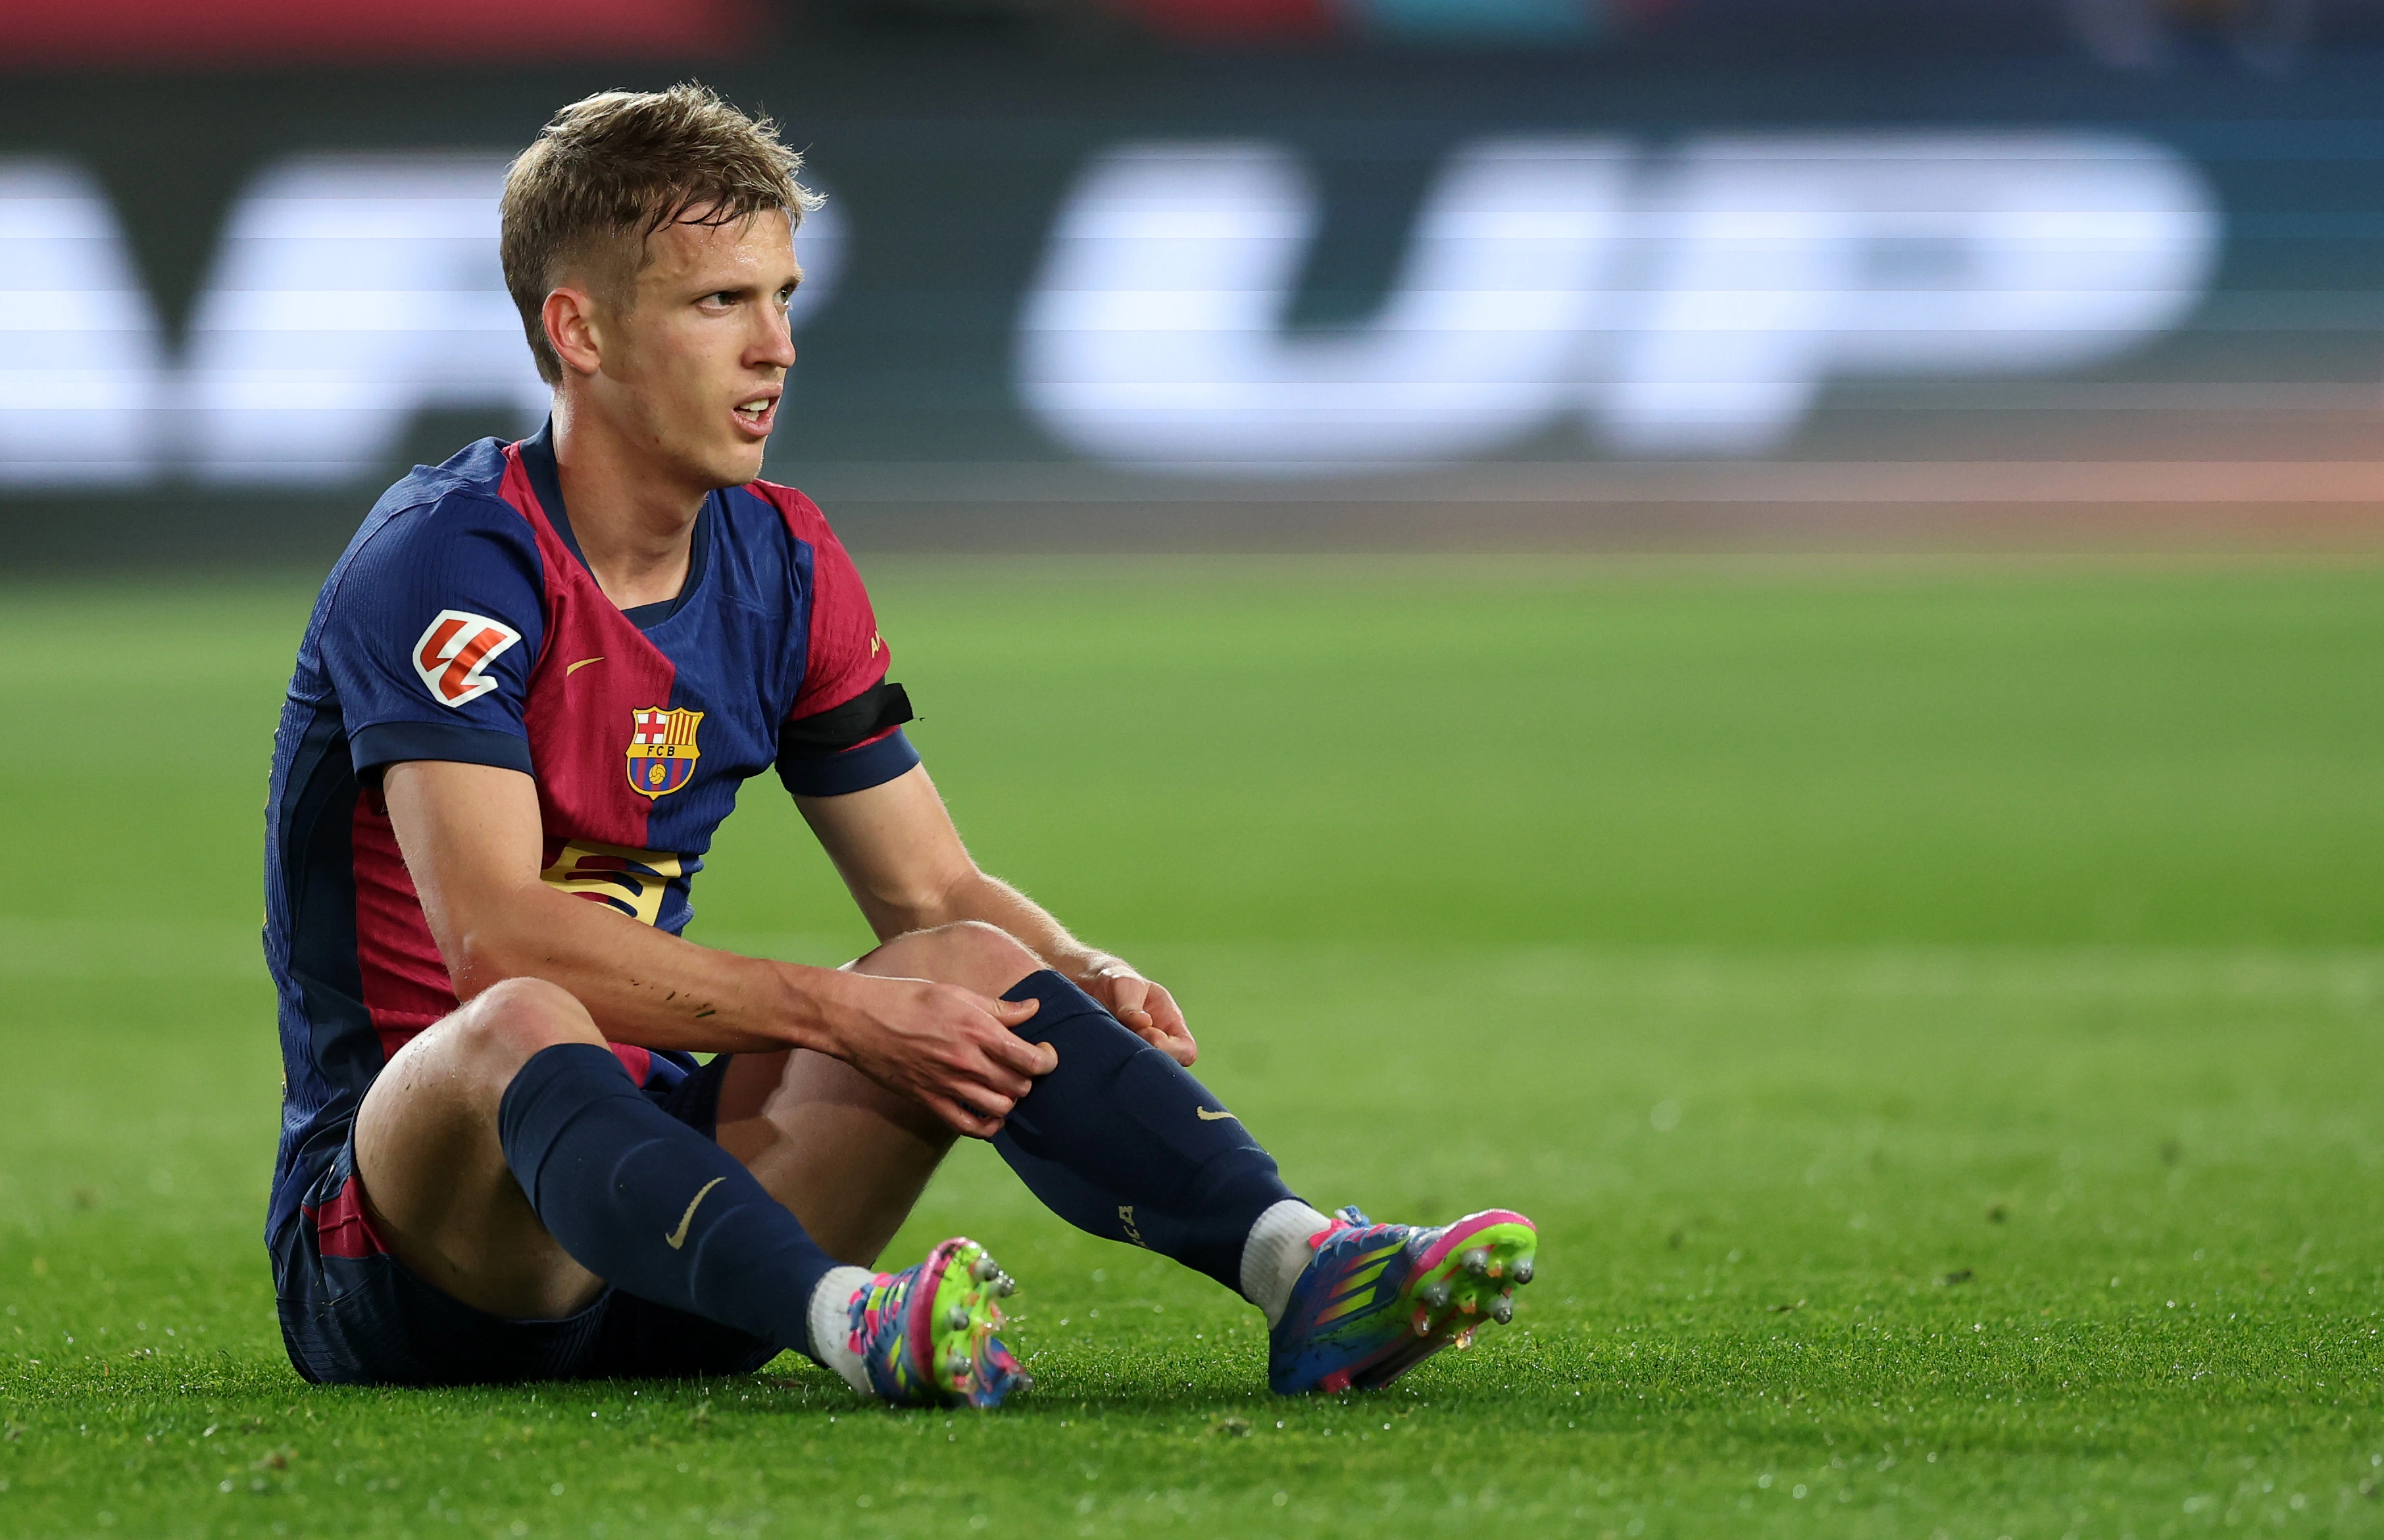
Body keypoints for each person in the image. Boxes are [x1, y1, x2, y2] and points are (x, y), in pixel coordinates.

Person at [261, 82, 1536, 1409]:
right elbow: (497, 942)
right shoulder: (452, 562)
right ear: (579, 330)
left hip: (679, 1244)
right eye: (721, 304)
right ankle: (859, 1325)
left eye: (783, 298)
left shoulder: (784, 561)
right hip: (414, 1258)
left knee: (972, 962)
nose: (777, 349)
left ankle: (1303, 1270)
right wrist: (843, 1012)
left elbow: (929, 892)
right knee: (520, 1018)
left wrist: (1072, 966)